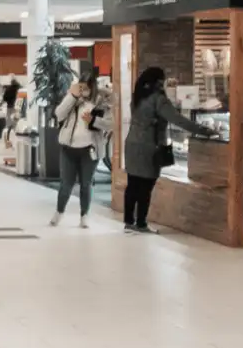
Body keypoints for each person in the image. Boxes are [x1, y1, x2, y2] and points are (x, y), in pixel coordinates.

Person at [124, 66, 215, 234]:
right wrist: (202, 129)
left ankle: (129, 221)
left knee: (133, 185)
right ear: (159, 82)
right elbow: (177, 119)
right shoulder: (159, 100)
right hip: (149, 146)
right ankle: (141, 223)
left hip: (131, 144)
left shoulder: (137, 97)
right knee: (146, 185)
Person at [51, 70, 110, 228]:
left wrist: (94, 120)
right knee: (66, 183)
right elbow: (59, 114)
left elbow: (111, 124)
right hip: (69, 147)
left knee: (86, 183)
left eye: (87, 87)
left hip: (89, 150)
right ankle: (59, 211)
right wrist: (72, 96)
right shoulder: (73, 98)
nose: (84, 90)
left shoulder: (101, 101)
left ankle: (84, 215)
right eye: (81, 86)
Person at [1, 79, 21, 148]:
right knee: (15, 127)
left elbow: (4, 99)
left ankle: (8, 143)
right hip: (17, 109)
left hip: (10, 108)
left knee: (8, 127)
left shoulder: (8, 90)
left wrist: (0, 103)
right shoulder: (19, 90)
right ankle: (15, 143)